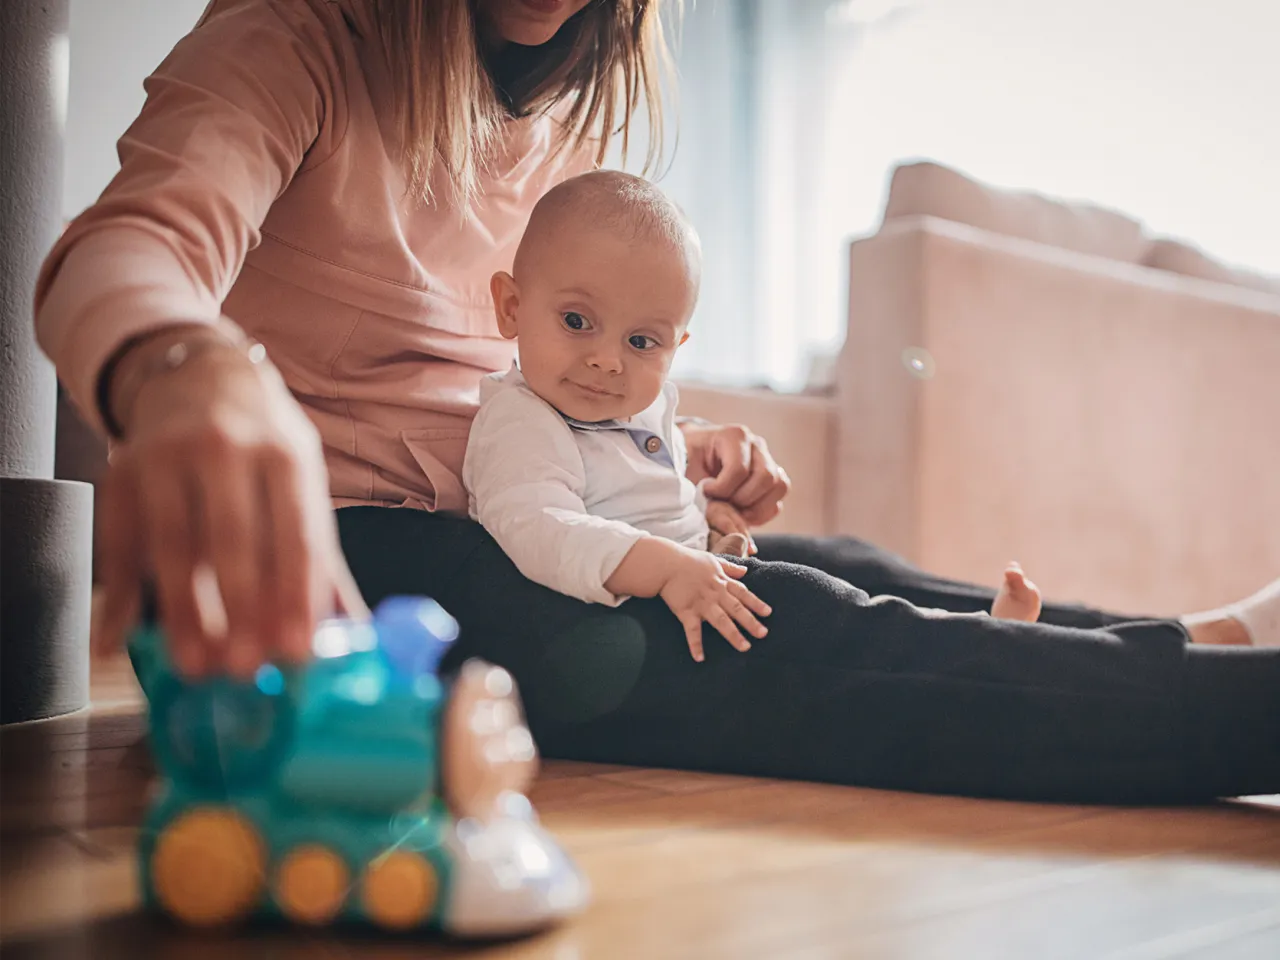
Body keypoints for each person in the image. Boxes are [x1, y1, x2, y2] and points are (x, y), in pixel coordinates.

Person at [35, 0, 1280, 805]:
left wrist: (668, 449)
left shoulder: (554, 120)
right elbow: (119, 252)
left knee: (830, 561)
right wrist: (183, 365)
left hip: (507, 511)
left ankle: (1188, 640)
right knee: (793, 632)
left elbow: (525, 393)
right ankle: (1239, 711)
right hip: (364, 564)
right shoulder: (296, 37)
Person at [462, 169, 1043, 664]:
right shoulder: (521, 420)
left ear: (676, 348)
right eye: (576, 321)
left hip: (703, 574)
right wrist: (667, 567)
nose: (608, 360)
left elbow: (649, 493)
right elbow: (540, 528)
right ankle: (973, 651)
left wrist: (707, 510)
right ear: (512, 307)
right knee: (817, 602)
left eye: (641, 342)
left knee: (849, 559)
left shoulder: (640, 409)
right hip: (640, 622)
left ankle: (974, 628)